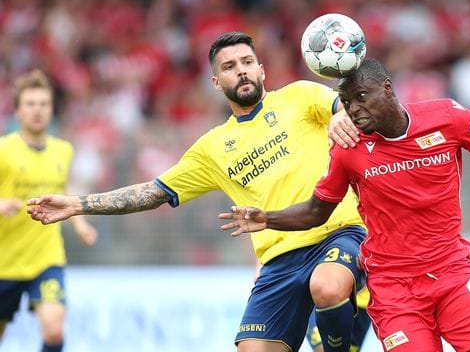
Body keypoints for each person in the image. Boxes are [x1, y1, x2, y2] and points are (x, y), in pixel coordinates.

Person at [216, 59, 470, 352]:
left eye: (360, 97)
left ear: (388, 90)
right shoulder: (349, 151)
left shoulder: (447, 118)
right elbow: (318, 211)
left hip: (452, 269)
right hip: (394, 288)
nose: (353, 109)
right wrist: (267, 218)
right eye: (346, 101)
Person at [26, 32, 371, 352]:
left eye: (248, 62)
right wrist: (76, 204)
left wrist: (345, 115)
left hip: (336, 233)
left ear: (262, 70)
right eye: (230, 67)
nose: (242, 71)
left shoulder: (302, 95)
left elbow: (349, 111)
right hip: (278, 262)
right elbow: (153, 192)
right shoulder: (212, 148)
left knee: (326, 287)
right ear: (216, 82)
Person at [0, 69, 98, 352]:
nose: (37, 111)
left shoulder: (63, 150)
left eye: (43, 104)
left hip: (45, 259)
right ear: (17, 111)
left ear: (51, 110)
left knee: (54, 330)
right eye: (30, 104)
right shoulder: (4, 150)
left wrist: (80, 225)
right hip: (4, 263)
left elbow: (63, 191)